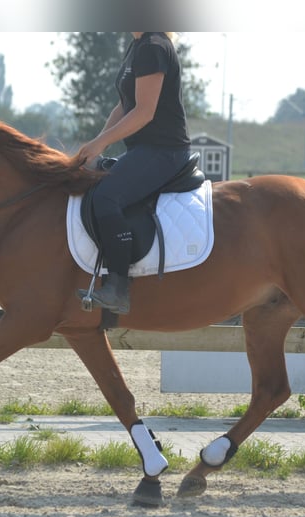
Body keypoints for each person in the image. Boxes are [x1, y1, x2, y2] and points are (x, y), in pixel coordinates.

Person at [76, 32, 192, 315]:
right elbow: (123, 106)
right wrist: (96, 145)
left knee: (106, 197)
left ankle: (118, 286)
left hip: (165, 151)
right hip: (145, 149)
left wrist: (100, 143)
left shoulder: (154, 46)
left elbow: (144, 112)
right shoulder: (137, 46)